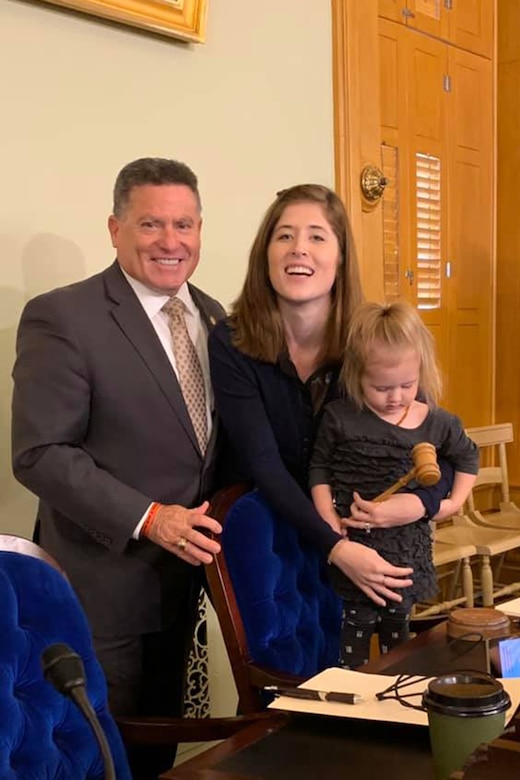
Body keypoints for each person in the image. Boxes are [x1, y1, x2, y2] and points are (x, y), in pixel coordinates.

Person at [11, 157, 225, 780]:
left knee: (158, 745)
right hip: (102, 583)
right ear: (114, 228)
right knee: (98, 754)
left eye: (184, 224)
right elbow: (40, 452)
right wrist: (149, 518)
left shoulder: (217, 317)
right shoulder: (64, 316)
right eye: (151, 224)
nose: (170, 241)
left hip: (187, 582)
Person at [209, 183, 454, 609]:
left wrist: (417, 505)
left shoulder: (374, 337)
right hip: (269, 541)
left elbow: (435, 445)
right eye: (284, 235)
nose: (298, 249)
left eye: (317, 236)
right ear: (264, 253)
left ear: (340, 257)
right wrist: (335, 548)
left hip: (364, 533)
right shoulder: (231, 341)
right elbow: (263, 463)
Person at [310, 300, 479, 668]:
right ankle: (355, 694)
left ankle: (393, 693)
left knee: (397, 636)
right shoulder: (340, 417)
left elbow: (468, 457)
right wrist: (327, 517)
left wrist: (453, 503)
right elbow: (319, 467)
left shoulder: (435, 421)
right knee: (354, 628)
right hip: (353, 550)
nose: (396, 397)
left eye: (407, 384)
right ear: (356, 375)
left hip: (405, 552)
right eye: (381, 387)